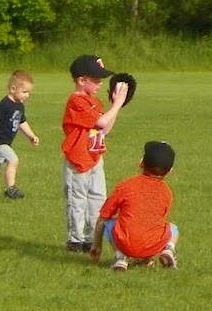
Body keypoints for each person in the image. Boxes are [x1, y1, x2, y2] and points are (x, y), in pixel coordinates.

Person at [61, 55, 130, 253]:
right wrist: (117, 104)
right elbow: (99, 123)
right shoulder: (77, 101)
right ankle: (75, 239)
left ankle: (91, 237)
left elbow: (105, 128)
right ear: (81, 80)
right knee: (78, 199)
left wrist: (117, 106)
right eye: (96, 79)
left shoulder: (94, 102)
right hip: (78, 159)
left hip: (94, 156)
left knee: (98, 198)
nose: (100, 83)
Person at [92, 140, 180, 271]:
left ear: (141, 163)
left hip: (125, 243)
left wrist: (96, 245)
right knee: (172, 228)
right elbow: (156, 223)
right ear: (169, 172)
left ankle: (120, 257)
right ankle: (168, 250)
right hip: (153, 245)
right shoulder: (166, 192)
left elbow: (103, 217)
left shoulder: (126, 185)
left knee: (110, 223)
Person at [0, 70, 40, 199]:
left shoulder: (19, 106)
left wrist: (31, 136)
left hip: (2, 142)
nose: (27, 95)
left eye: (28, 92)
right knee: (13, 160)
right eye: (24, 92)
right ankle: (10, 188)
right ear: (13, 88)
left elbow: (22, 122)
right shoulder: (4, 105)